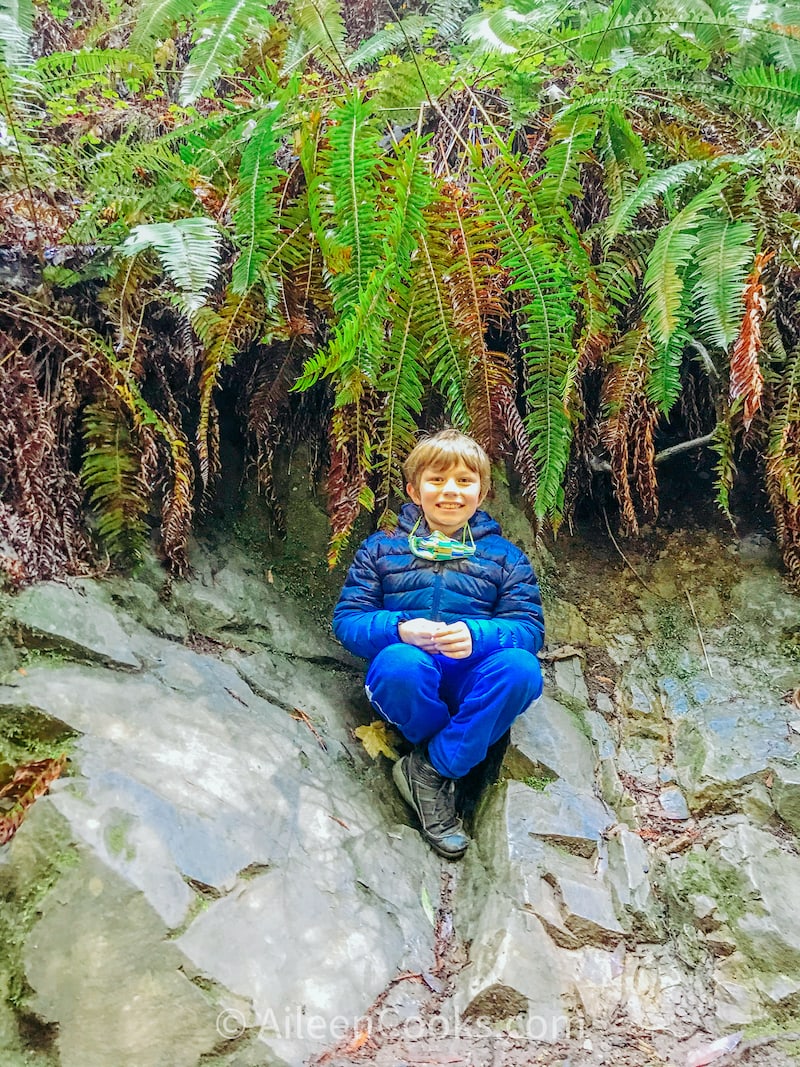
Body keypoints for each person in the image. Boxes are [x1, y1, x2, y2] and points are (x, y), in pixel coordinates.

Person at [332, 429, 545, 860]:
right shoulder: (382, 547)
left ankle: (429, 769)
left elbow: (529, 629)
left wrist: (478, 636)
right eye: (436, 480)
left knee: (521, 670)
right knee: (399, 663)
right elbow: (347, 621)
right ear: (414, 489)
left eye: (465, 481)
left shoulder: (505, 557)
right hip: (408, 680)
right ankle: (450, 755)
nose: (450, 491)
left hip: (471, 678)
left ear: (482, 493)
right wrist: (399, 628)